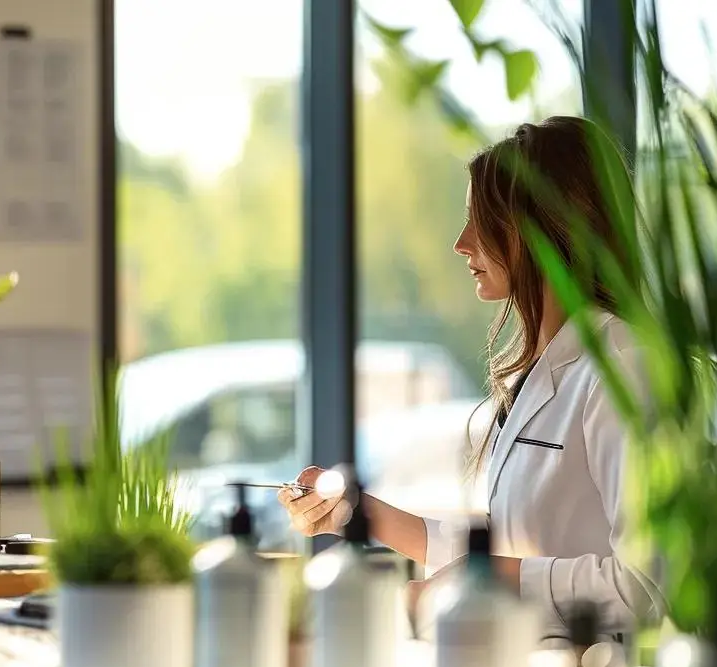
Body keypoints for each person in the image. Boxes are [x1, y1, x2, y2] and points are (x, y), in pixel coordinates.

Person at [279, 115, 663, 636]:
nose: (462, 243)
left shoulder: (624, 367)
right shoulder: (549, 368)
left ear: (543, 228)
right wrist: (355, 510)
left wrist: (482, 583)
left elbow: (645, 587)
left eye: (481, 220)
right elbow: (506, 550)